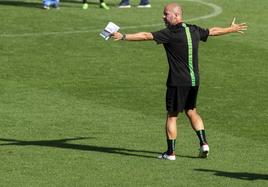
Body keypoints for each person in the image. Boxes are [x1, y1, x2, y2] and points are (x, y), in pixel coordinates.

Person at [112, 3, 247, 160]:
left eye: (166, 14)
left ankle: (170, 153)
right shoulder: (193, 29)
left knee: (172, 116)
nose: (163, 16)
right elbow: (212, 31)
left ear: (176, 15)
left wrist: (123, 36)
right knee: (191, 111)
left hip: (177, 82)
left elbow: (146, 36)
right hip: (194, 80)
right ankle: (204, 144)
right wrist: (230, 29)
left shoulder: (170, 33)